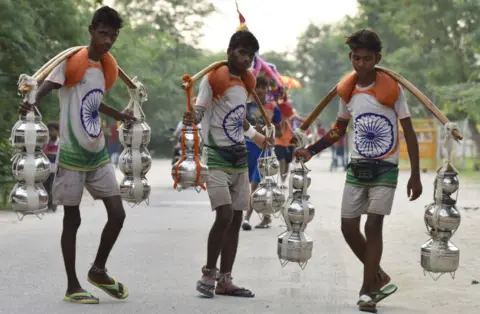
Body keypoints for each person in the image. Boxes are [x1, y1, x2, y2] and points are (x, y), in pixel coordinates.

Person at [293, 29, 423, 312]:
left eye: (367, 59)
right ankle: (377, 274)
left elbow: (409, 132)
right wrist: (311, 150)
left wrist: (415, 174)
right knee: (348, 227)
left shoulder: (393, 90)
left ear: (377, 58)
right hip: (357, 167)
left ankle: (367, 290)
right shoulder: (347, 90)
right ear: (351, 57)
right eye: (356, 58)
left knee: (373, 224)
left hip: (386, 169)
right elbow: (339, 129)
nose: (361, 64)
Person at [19, 6, 135, 304]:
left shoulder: (104, 66)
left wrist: (119, 114)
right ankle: (72, 285)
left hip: (97, 154)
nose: (108, 40)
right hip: (71, 155)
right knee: (72, 219)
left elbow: (93, 102)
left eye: (113, 36)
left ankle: (98, 270)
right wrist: (31, 102)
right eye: (103, 33)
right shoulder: (72, 62)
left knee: (118, 214)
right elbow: (47, 86)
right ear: (91, 30)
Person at [184, 30, 270, 298]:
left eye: (250, 55)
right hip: (216, 157)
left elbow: (239, 119)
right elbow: (199, 110)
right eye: (242, 52)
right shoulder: (212, 79)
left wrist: (258, 137)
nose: (246, 59)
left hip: (239, 159)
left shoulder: (246, 83)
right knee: (223, 215)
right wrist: (191, 117)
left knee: (234, 220)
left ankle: (225, 279)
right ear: (230, 51)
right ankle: (208, 273)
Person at [242, 75, 282, 230]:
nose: (260, 91)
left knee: (255, 185)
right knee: (255, 186)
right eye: (257, 87)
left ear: (267, 89)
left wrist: (269, 131)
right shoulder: (246, 107)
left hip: (265, 151)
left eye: (263, 88)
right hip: (248, 148)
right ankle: (266, 217)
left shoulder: (273, 108)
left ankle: (246, 218)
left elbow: (278, 132)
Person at [43, 121, 60, 212]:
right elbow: (42, 153)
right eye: (48, 131)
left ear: (57, 131)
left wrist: (48, 154)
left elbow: (58, 155)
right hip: (46, 169)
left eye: (52, 130)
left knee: (52, 188)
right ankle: (47, 205)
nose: (50, 133)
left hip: (55, 169)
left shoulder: (59, 142)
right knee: (45, 187)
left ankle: (53, 205)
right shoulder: (46, 142)